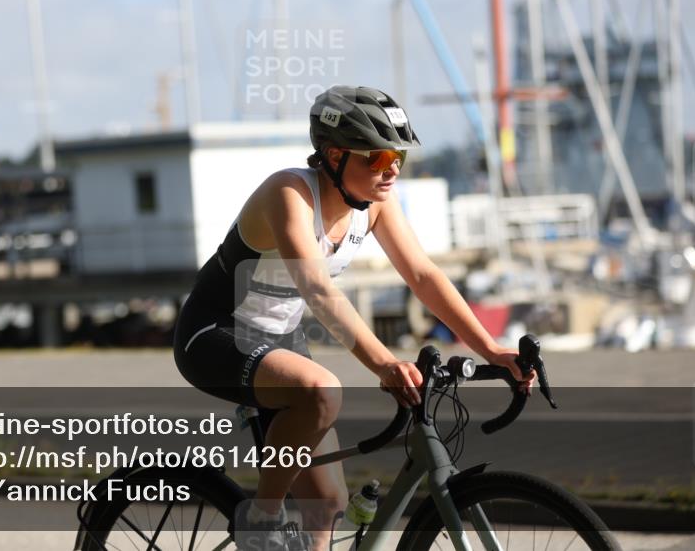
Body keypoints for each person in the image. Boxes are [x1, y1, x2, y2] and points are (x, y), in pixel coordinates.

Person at [173, 86, 533, 550]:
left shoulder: (376, 204)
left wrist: (493, 349)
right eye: (378, 158)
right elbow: (319, 290)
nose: (393, 169)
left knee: (327, 505)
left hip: (279, 341)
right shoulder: (289, 194)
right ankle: (259, 521)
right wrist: (384, 363)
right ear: (335, 155)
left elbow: (423, 275)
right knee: (321, 391)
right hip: (215, 333)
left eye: (398, 157)